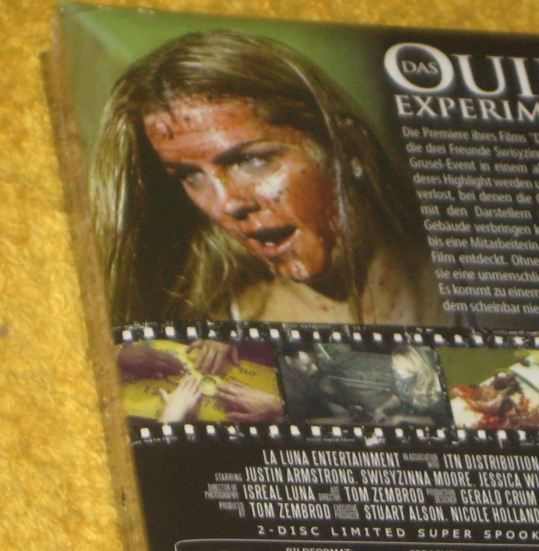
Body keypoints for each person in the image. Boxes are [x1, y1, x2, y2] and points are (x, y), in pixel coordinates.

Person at [92, 30, 438, 328]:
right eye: (191, 175)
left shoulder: (456, 279)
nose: (226, 204)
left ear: (349, 146)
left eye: (252, 160)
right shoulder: (213, 333)